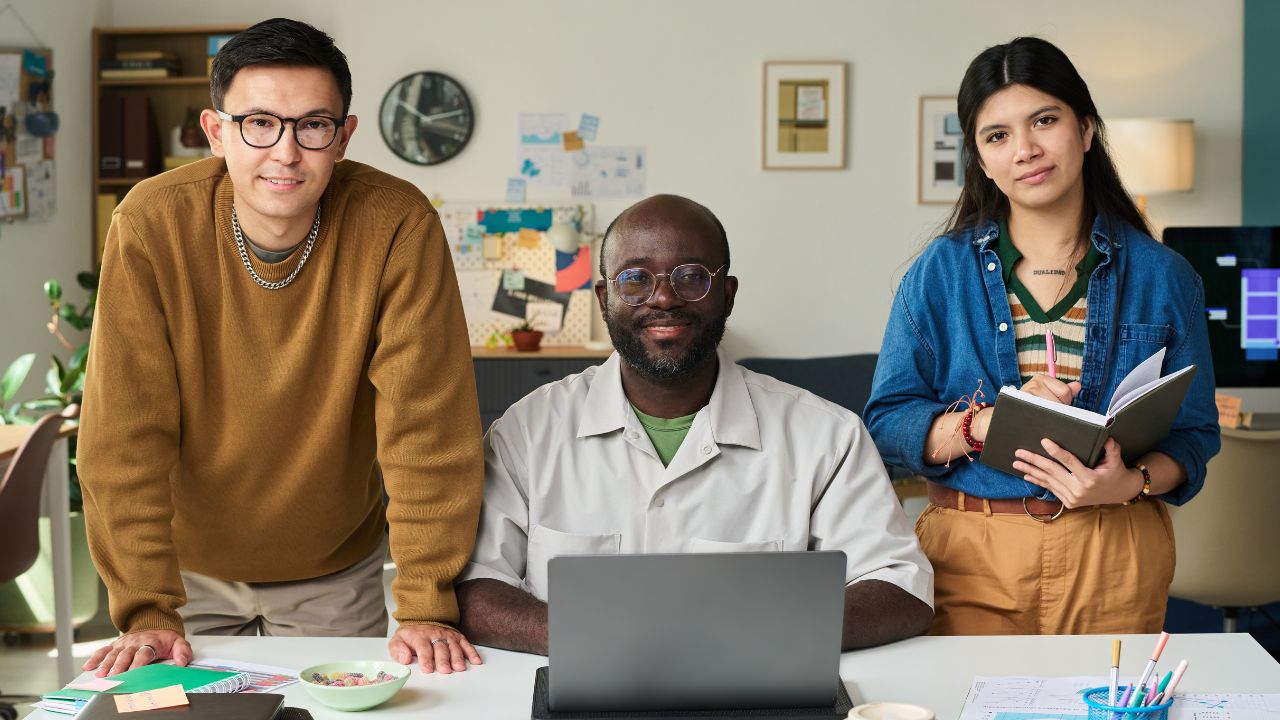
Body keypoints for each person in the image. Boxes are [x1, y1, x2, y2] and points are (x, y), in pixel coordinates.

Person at [78, 18, 484, 676]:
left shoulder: (398, 225)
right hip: (184, 578)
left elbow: (427, 432)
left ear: (344, 137)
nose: (286, 153)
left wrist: (426, 605)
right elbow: (124, 436)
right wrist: (146, 606)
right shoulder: (150, 224)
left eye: (313, 126)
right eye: (259, 124)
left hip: (333, 573)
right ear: (217, 132)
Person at [454, 194, 934, 654]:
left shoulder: (826, 436)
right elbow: (475, 587)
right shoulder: (528, 431)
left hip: (755, 693)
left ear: (727, 295)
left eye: (691, 278)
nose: (664, 298)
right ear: (604, 298)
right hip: (579, 694)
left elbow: (901, 588)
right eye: (635, 279)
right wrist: (594, 638)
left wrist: (746, 638)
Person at [863, 37, 1219, 636]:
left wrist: (1131, 482)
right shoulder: (939, 273)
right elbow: (886, 425)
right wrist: (980, 427)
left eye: (1044, 121)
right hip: (970, 553)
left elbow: (1195, 435)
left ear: (1085, 130)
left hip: (1116, 551)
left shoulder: (1164, 274)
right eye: (996, 135)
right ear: (979, 156)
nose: (1024, 150)